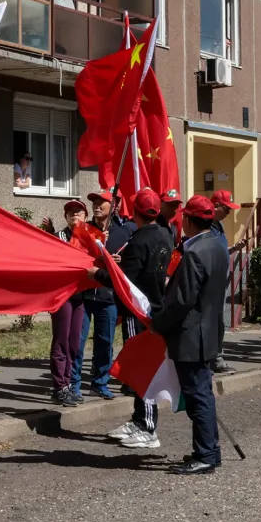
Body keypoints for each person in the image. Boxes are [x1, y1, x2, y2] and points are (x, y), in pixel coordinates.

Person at [152, 196, 230, 475]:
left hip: (192, 335)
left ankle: (206, 454)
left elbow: (182, 300)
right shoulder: (218, 248)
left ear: (187, 220)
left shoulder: (195, 252)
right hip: (208, 332)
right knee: (202, 395)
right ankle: (210, 451)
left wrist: (158, 322)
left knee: (198, 397)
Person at [104, 189, 173, 450]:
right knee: (140, 365)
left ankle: (147, 425)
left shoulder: (139, 241)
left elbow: (125, 279)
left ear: (135, 213)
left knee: (140, 367)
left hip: (139, 310)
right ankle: (138, 419)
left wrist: (101, 271)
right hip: (155, 306)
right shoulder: (165, 235)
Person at [77, 191, 120, 399]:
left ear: (113, 206)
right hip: (84, 295)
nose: (95, 205)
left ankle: (100, 382)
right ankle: (74, 384)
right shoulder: (84, 230)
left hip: (107, 295)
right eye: (93, 202)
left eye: (101, 202)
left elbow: (131, 261)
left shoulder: (122, 231)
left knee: (105, 342)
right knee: (77, 342)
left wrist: (116, 260)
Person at [49, 199, 91, 406]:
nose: (75, 215)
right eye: (71, 212)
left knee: (75, 343)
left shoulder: (92, 237)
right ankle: (59, 386)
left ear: (86, 217)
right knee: (62, 340)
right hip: (63, 296)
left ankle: (68, 383)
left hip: (80, 296)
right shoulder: (59, 237)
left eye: (79, 212)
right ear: (65, 217)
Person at [209, 189, 239, 372]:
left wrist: (233, 248)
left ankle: (216, 358)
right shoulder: (205, 226)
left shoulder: (218, 226)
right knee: (210, 322)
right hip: (209, 282)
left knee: (218, 322)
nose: (229, 212)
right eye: (226, 208)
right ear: (216, 205)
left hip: (219, 281)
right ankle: (210, 360)